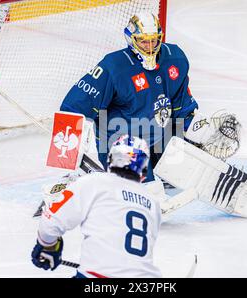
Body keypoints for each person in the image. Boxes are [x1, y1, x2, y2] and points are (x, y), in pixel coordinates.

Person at [59, 11, 200, 182]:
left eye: (153, 41)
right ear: (131, 39)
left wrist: (200, 132)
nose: (149, 47)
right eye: (143, 41)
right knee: (146, 193)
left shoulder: (175, 59)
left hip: (159, 139)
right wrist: (66, 156)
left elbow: (182, 105)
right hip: (122, 146)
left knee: (189, 173)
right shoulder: (114, 67)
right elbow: (73, 107)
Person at [31, 135, 162, 278]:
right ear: (143, 170)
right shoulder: (152, 201)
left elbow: (50, 224)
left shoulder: (94, 182)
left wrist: (48, 246)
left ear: (110, 159)